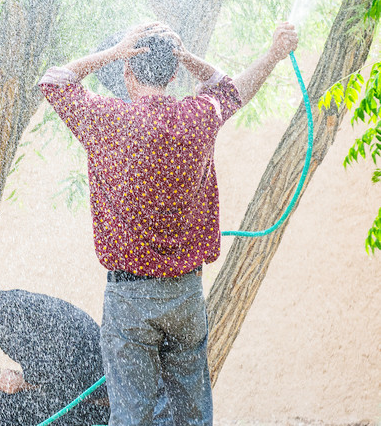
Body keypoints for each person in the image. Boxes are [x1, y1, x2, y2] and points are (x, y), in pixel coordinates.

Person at [39, 22, 298, 425]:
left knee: (131, 417)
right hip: (186, 295)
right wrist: (200, 55)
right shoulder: (198, 116)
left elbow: (54, 81)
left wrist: (115, 51)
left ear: (127, 73)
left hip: (129, 299)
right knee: (192, 416)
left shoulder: (107, 119)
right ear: (175, 75)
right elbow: (230, 87)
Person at [0, 269, 111, 426]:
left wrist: (21, 382)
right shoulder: (6, 306)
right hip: (95, 392)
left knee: (6, 403)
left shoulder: (7, 316)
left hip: (103, 403)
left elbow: (47, 373)